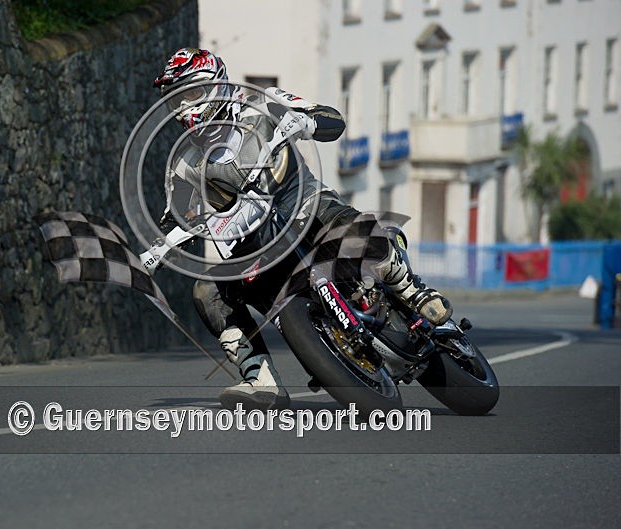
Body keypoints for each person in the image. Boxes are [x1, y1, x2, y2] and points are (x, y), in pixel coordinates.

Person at [153, 48, 452, 410]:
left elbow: (331, 119)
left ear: (216, 85)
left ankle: (413, 292)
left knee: (357, 230)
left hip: (307, 207)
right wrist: (158, 247)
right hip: (253, 246)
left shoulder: (261, 103)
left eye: (191, 95)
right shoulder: (184, 163)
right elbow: (174, 216)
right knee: (206, 290)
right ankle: (259, 378)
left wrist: (308, 122)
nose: (184, 108)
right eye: (176, 101)